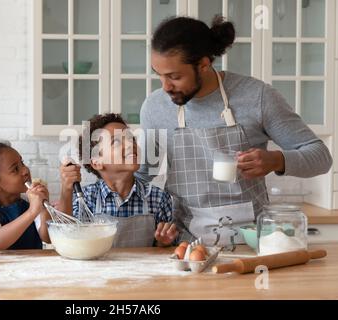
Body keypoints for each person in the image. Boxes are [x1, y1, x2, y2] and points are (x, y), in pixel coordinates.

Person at [136, 16, 333, 246]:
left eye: (175, 76)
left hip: (253, 242)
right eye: (159, 74)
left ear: (204, 64)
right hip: (185, 246)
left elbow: (321, 157)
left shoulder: (257, 96)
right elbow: (143, 176)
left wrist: (276, 160)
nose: (165, 87)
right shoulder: (155, 107)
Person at [59, 113, 178, 247]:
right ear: (97, 162)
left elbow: (168, 250)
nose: (129, 144)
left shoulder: (158, 198)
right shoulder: (86, 199)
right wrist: (66, 189)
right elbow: (66, 237)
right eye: (115, 141)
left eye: (131, 138)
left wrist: (163, 243)